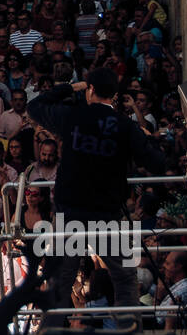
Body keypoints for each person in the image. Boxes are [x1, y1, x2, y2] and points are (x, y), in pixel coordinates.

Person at [26, 68, 166, 316]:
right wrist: (149, 140)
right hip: (107, 217)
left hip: (70, 216)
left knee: (61, 281)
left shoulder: (73, 116)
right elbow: (156, 163)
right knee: (125, 279)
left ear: (90, 89)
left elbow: (35, 106)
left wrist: (70, 88)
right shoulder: (125, 125)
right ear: (113, 95)